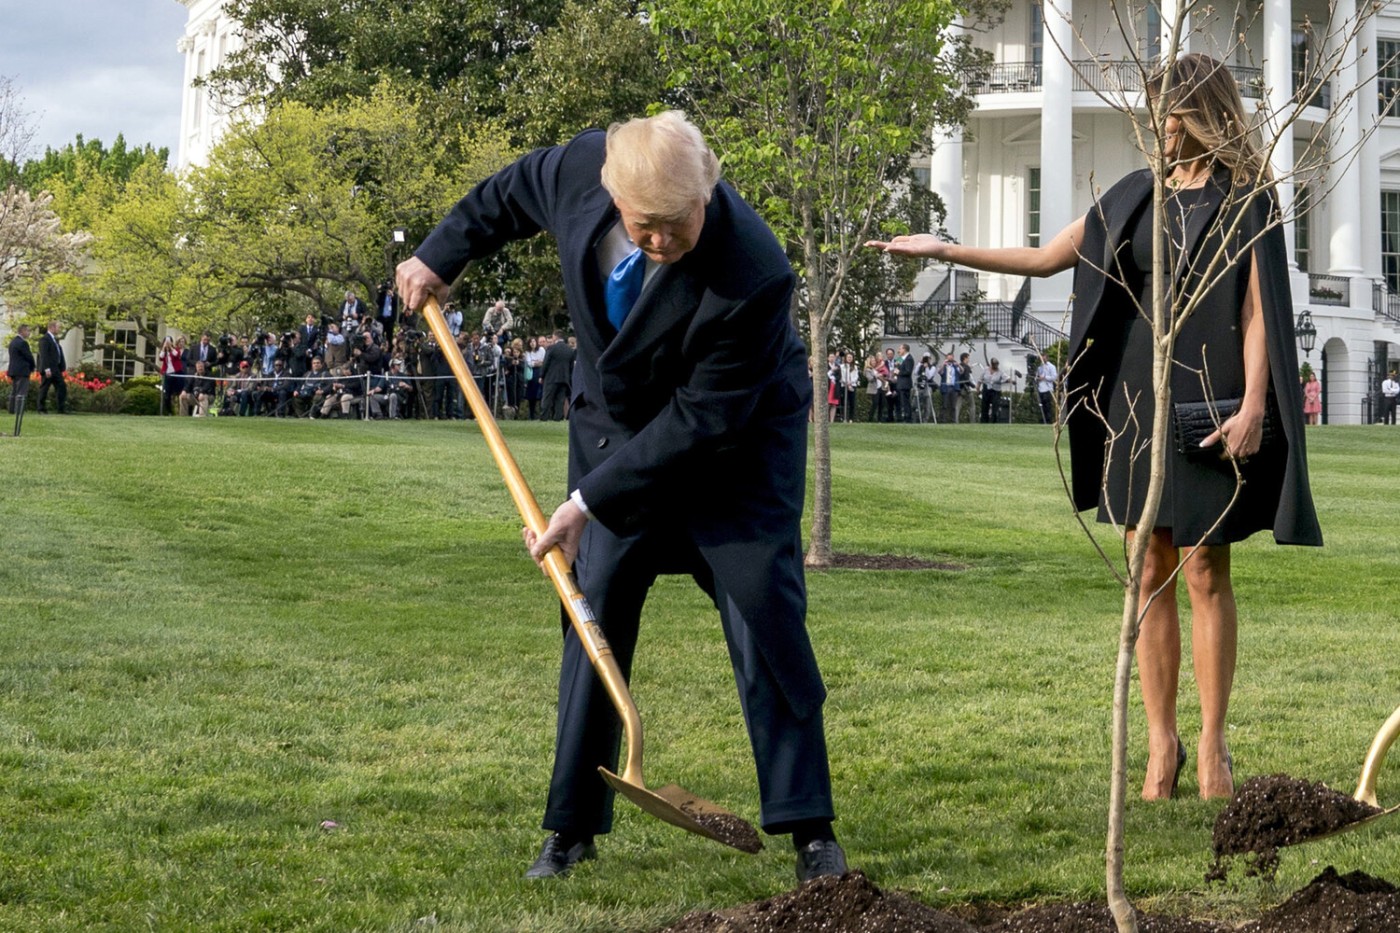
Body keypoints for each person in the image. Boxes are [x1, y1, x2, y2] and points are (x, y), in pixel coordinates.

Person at [397, 110, 844, 882]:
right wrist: (441, 255)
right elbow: (505, 194)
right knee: (591, 605)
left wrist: (582, 503)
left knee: (763, 610)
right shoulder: (577, 168)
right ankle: (569, 827)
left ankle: (810, 828)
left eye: (679, 224)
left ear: (707, 190)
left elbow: (702, 420)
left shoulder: (756, 271)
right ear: (609, 194)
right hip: (613, 426)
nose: (663, 242)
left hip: (732, 449)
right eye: (645, 228)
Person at [868, 53, 1322, 800]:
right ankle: (1160, 747)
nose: (1157, 127)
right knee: (1147, 575)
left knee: (1206, 569)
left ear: (1201, 114)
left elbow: (1257, 312)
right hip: (1135, 409)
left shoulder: (1248, 202)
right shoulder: (1134, 195)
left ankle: (1212, 746)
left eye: (1168, 114)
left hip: (1210, 401)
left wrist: (1252, 407)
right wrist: (943, 248)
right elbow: (1048, 257)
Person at [539, 331, 573, 422]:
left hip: (552, 377)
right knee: (560, 399)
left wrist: (541, 375)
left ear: (555, 337)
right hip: (564, 378)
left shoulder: (551, 348)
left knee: (547, 397)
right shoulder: (569, 350)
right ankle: (558, 417)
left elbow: (546, 363)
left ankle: (544, 417)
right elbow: (571, 366)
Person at [36, 321, 69, 415]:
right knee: (44, 388)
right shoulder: (45, 339)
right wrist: (47, 369)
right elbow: (44, 355)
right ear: (52, 328)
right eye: (58, 327)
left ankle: (61, 408)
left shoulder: (55, 340)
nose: (59, 329)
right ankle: (41, 408)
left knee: (62, 387)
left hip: (56, 369)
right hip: (49, 369)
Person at [7, 323, 35, 417]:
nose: (29, 333)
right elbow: (28, 356)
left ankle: (11, 409)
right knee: (21, 391)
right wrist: (32, 366)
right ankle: (19, 410)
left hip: (13, 370)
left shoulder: (13, 342)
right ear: (22, 331)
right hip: (22, 370)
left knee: (14, 390)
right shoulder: (23, 343)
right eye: (27, 331)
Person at [978, 358, 1010, 423]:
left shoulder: (1000, 372)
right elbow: (980, 379)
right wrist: (977, 388)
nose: (995, 366)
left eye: (996, 365)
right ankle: (984, 422)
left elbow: (1006, 378)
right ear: (991, 364)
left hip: (995, 391)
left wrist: (1010, 380)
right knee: (984, 407)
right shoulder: (985, 370)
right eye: (994, 365)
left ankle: (994, 422)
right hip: (986, 390)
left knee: (995, 407)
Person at [936, 352, 960, 424]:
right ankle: (943, 420)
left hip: (954, 387)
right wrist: (943, 364)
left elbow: (962, 371)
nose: (950, 361)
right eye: (948, 359)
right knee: (945, 405)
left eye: (951, 359)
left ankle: (953, 420)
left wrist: (958, 364)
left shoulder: (955, 367)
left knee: (953, 406)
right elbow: (939, 372)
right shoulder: (944, 366)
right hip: (946, 387)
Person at [1035, 355, 1058, 424]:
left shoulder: (1051, 367)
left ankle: (1048, 421)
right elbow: (1037, 376)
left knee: (1047, 407)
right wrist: (1037, 378)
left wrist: (1045, 377)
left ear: (1047, 358)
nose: (1042, 359)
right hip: (1040, 389)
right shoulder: (1039, 367)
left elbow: (1054, 377)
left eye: (1044, 357)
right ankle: (1042, 421)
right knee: (1041, 407)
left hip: (1048, 389)